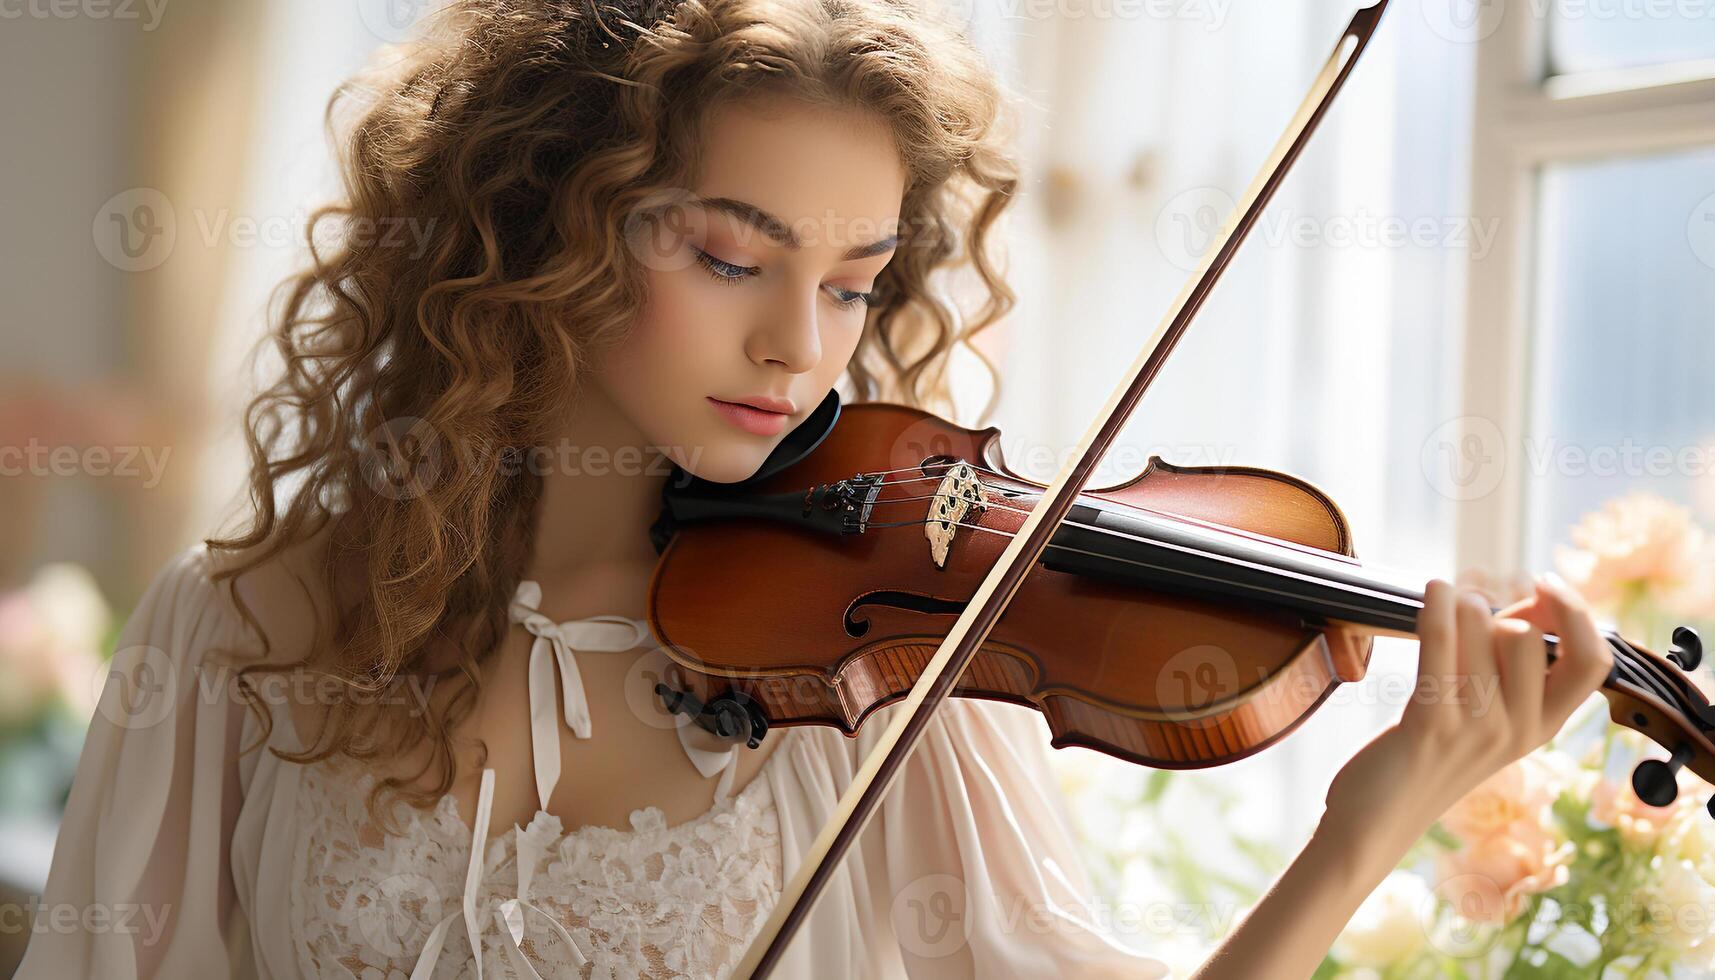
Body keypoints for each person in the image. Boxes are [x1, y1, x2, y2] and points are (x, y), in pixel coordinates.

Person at [17, 1, 1614, 977]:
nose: (798, 345)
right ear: (532, 230)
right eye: (728, 256)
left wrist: (1368, 819)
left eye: (852, 285)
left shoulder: (879, 673)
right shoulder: (240, 629)